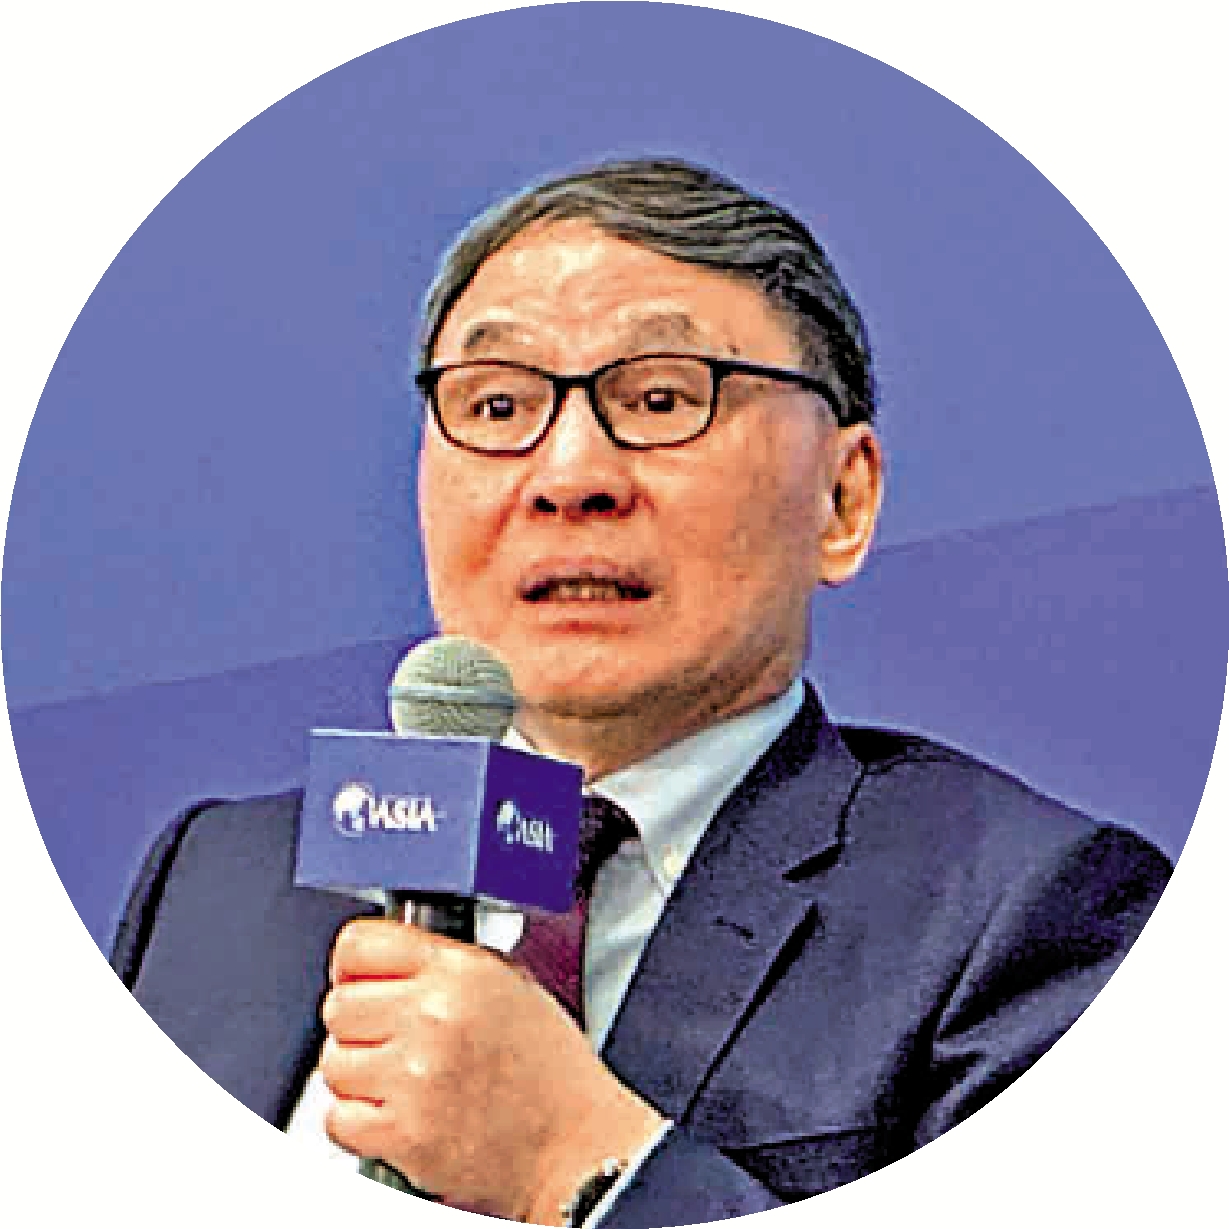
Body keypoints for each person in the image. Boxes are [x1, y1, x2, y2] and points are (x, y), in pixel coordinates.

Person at [111, 159, 1171, 1227]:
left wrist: (576, 1164)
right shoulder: (215, 880)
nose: (569, 476)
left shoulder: (1023, 918)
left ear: (841, 499)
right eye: (497, 404)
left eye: (661, 399)